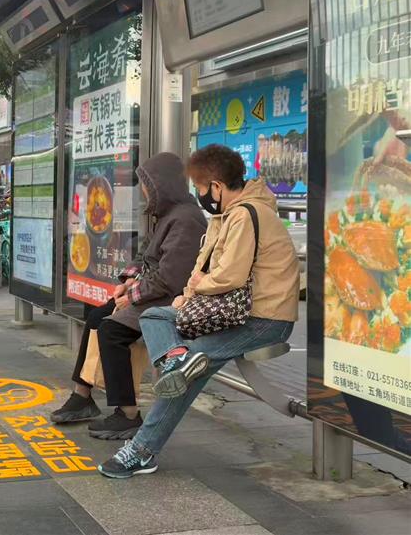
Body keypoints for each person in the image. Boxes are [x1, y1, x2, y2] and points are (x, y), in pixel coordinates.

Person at [99, 144, 299, 478]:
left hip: (265, 319)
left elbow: (228, 275)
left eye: (203, 189)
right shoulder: (227, 215)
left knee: (191, 370)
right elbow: (203, 267)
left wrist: (196, 287)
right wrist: (186, 296)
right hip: (238, 312)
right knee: (155, 316)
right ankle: (176, 361)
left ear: (217, 187)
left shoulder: (247, 215)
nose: (201, 195)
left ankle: (141, 451)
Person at [50, 153, 206, 440]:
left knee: (111, 330)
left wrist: (132, 296)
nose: (144, 190)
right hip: (151, 291)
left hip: (168, 299)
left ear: (162, 184)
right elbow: (144, 255)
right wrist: (128, 281)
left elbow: (170, 278)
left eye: (147, 184)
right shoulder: (168, 215)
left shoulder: (186, 219)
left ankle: (129, 414)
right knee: (96, 317)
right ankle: (82, 394)